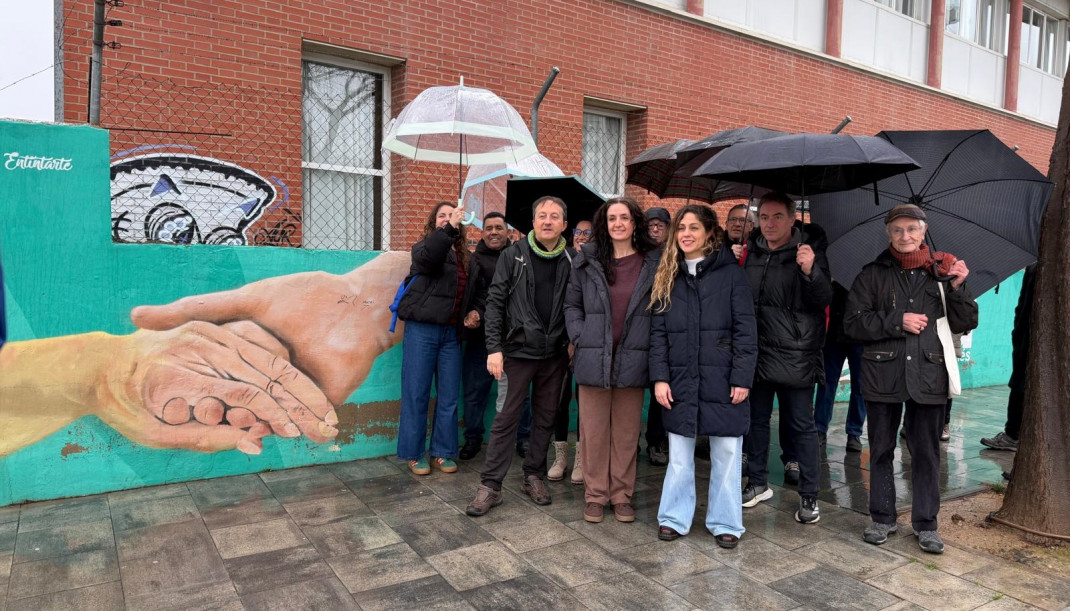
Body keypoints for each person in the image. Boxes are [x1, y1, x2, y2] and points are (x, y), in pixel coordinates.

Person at [845, 204, 977, 555]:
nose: (905, 236)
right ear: (888, 234)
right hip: (882, 373)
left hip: (929, 373)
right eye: (897, 230)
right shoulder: (871, 274)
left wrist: (960, 287)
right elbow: (854, 323)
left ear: (923, 232)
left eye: (911, 230)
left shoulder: (943, 273)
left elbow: (966, 322)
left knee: (926, 453)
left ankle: (926, 524)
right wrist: (896, 320)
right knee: (882, 450)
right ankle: (882, 517)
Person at [649, 204, 757, 547]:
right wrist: (660, 377)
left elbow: (745, 330)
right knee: (679, 454)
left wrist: (742, 377)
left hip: (722, 377)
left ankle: (725, 521)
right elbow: (658, 334)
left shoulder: (731, 274)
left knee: (726, 452)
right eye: (681, 228)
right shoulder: (668, 274)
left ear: (710, 232)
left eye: (694, 227)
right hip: (680, 378)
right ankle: (674, 517)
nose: (686, 234)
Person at [466, 196, 572, 516]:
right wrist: (494, 348)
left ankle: (533, 475)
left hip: (554, 354)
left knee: (544, 418)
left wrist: (572, 341)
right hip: (517, 352)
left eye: (555, 216)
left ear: (564, 224)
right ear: (533, 222)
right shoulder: (514, 255)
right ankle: (491, 486)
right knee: (506, 419)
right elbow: (495, 304)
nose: (548, 221)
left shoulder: (571, 260)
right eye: (542, 215)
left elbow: (576, 305)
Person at [564, 197, 660, 523]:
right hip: (593, 357)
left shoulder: (652, 263)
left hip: (634, 358)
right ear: (604, 225)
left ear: (635, 223)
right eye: (611, 218)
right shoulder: (587, 260)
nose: (617, 223)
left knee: (626, 433)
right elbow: (572, 305)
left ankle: (621, 495)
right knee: (592, 432)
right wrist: (580, 335)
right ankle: (595, 495)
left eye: (624, 218)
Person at [739, 192, 832, 524]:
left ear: (793, 219)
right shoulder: (750, 252)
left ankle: (810, 495)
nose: (769, 224)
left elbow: (822, 299)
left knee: (801, 428)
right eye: (763, 217)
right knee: (756, 422)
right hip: (757, 353)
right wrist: (733, 262)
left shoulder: (809, 253)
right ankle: (759, 483)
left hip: (796, 354)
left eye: (777, 216)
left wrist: (811, 271)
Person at [395, 202, 468, 476]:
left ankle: (443, 451)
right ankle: (415, 453)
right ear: (433, 222)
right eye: (442, 216)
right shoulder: (423, 248)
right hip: (422, 330)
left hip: (451, 334)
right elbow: (430, 260)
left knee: (448, 396)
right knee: (416, 394)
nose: (447, 219)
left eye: (451, 216)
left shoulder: (463, 256)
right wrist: (449, 229)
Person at [459, 212, 512, 460]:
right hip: (479, 338)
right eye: (488, 228)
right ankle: (473, 439)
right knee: (474, 391)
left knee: (516, 393)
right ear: (482, 233)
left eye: (498, 228)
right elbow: (477, 294)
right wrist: (477, 312)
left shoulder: (517, 258)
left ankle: (520, 438)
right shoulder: (474, 261)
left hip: (512, 338)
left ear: (508, 232)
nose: (493, 232)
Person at [548, 219, 594, 483]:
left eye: (588, 232)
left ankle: (581, 458)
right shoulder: (560, 259)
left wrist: (578, 339)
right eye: (578, 231)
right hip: (558, 342)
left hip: (586, 342)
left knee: (585, 403)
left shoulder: (595, 265)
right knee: (559, 401)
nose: (582, 236)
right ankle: (561, 456)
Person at [980, 263, 1035, 452]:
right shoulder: (1035, 266)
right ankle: (1013, 434)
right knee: (1019, 385)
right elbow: (1022, 306)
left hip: (1034, 340)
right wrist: (1017, 333)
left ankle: (1014, 436)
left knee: (1023, 387)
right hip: (1025, 336)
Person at [814, 281, 867, 452]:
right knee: (827, 383)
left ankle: (854, 433)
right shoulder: (837, 268)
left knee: (860, 386)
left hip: (861, 336)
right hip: (835, 333)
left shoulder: (870, 275)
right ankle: (820, 429)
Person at [642, 206, 671, 466]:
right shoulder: (637, 253)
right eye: (651, 224)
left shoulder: (675, 256)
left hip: (664, 331)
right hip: (638, 331)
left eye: (660, 224)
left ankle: (656, 440)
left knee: (660, 392)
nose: (655, 228)